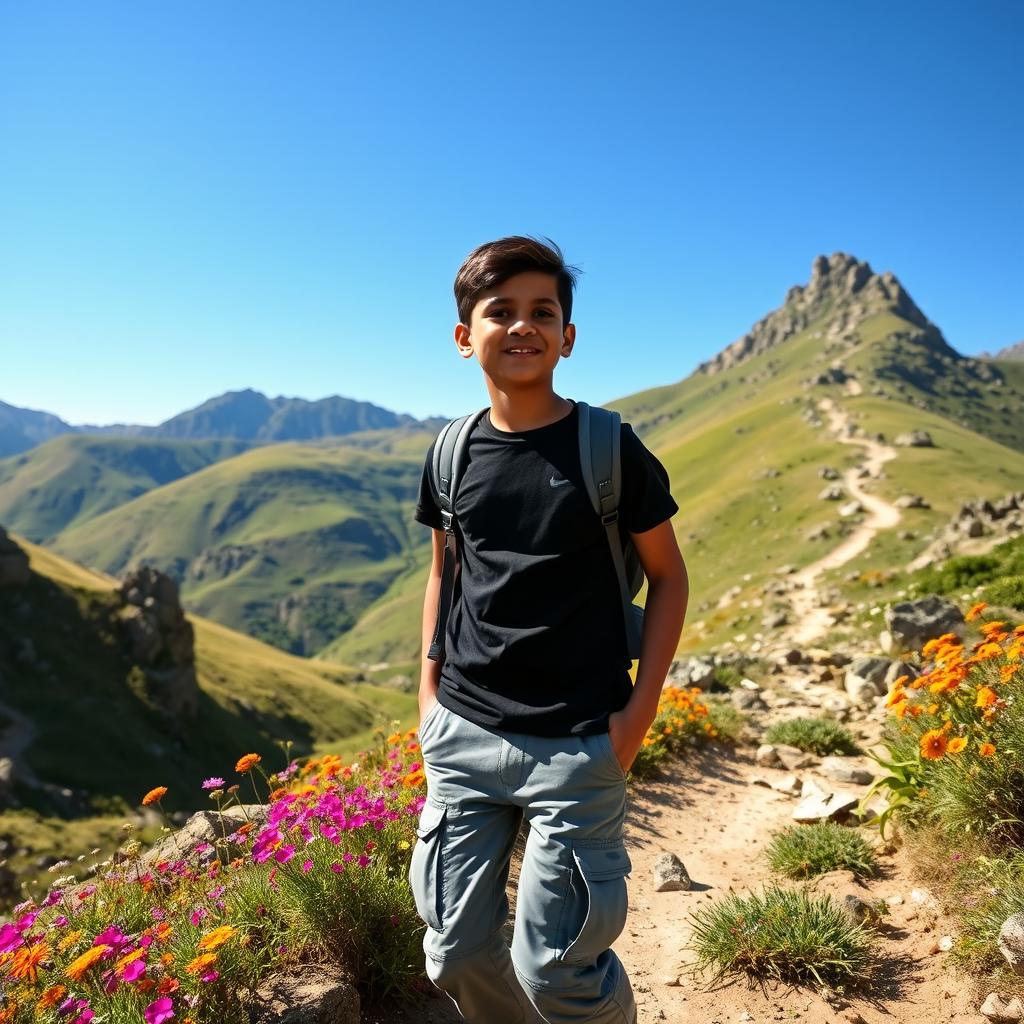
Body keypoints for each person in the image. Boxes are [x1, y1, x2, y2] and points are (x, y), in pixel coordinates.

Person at [410, 236, 688, 1024]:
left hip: (578, 740)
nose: (522, 326)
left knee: (556, 970)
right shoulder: (450, 453)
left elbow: (668, 577)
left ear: (568, 337)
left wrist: (638, 717)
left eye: (544, 312)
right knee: (454, 953)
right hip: (462, 731)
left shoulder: (609, 448)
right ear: (466, 337)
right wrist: (428, 695)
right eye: (501, 312)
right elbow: (445, 571)